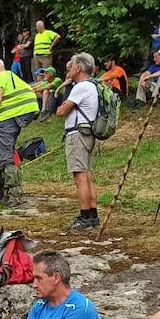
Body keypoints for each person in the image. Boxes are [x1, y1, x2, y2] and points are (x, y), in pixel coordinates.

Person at [55, 52, 101, 231]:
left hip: (77, 134)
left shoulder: (81, 87)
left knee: (80, 176)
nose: (69, 68)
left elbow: (61, 111)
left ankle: (84, 217)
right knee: (87, 174)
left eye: (72, 65)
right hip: (87, 133)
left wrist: (62, 104)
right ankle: (92, 214)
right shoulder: (92, 86)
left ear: (79, 68)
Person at [0, 56, 40, 207]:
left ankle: (12, 196)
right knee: (9, 155)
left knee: (5, 159)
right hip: (17, 117)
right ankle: (16, 192)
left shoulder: (2, 76)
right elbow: (8, 101)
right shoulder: (12, 76)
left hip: (5, 122)